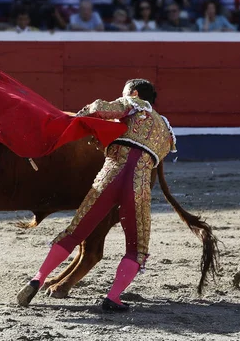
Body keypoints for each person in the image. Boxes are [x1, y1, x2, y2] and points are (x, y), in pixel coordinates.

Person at [17, 79, 177, 312]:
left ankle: (37, 278)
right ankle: (113, 297)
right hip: (139, 187)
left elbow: (98, 109)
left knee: (74, 233)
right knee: (137, 249)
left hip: (109, 177)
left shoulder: (132, 102)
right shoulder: (165, 129)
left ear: (134, 93)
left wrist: (78, 119)